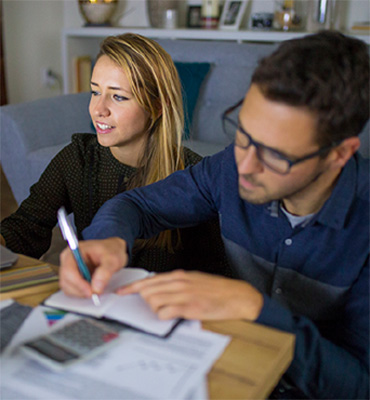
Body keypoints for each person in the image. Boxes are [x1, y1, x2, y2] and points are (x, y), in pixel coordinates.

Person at [59, 31, 369, 399]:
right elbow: (139, 205)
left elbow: (359, 384)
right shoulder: (229, 168)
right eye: (242, 134)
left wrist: (255, 309)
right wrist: (109, 239)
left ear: (339, 154)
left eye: (274, 154)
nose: (245, 165)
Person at [0, 33, 228, 275]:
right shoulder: (78, 158)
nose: (98, 110)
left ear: (157, 107)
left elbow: (215, 271)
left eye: (118, 96)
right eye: (95, 92)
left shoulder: (192, 175)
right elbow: (26, 226)